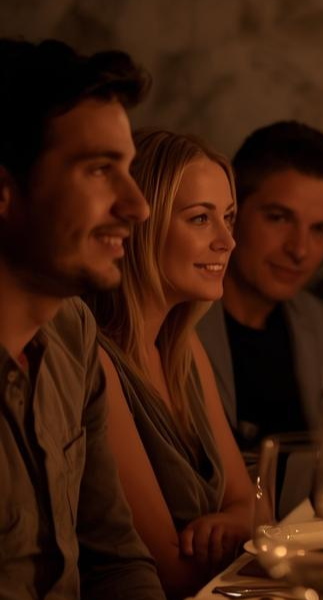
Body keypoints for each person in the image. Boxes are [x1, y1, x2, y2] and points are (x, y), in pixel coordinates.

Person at [0, 38, 165, 600]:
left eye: (129, 169)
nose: (137, 206)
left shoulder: (72, 334)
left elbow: (116, 562)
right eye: (99, 170)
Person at [85, 129, 253, 599]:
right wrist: (246, 532)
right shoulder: (95, 362)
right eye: (200, 218)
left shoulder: (182, 349)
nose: (227, 242)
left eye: (229, 218)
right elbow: (170, 573)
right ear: (139, 224)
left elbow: (250, 504)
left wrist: (238, 521)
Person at [195, 121, 323, 453]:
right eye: (279, 218)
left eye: (320, 230)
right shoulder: (178, 325)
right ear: (232, 212)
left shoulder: (317, 322)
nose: (299, 250)